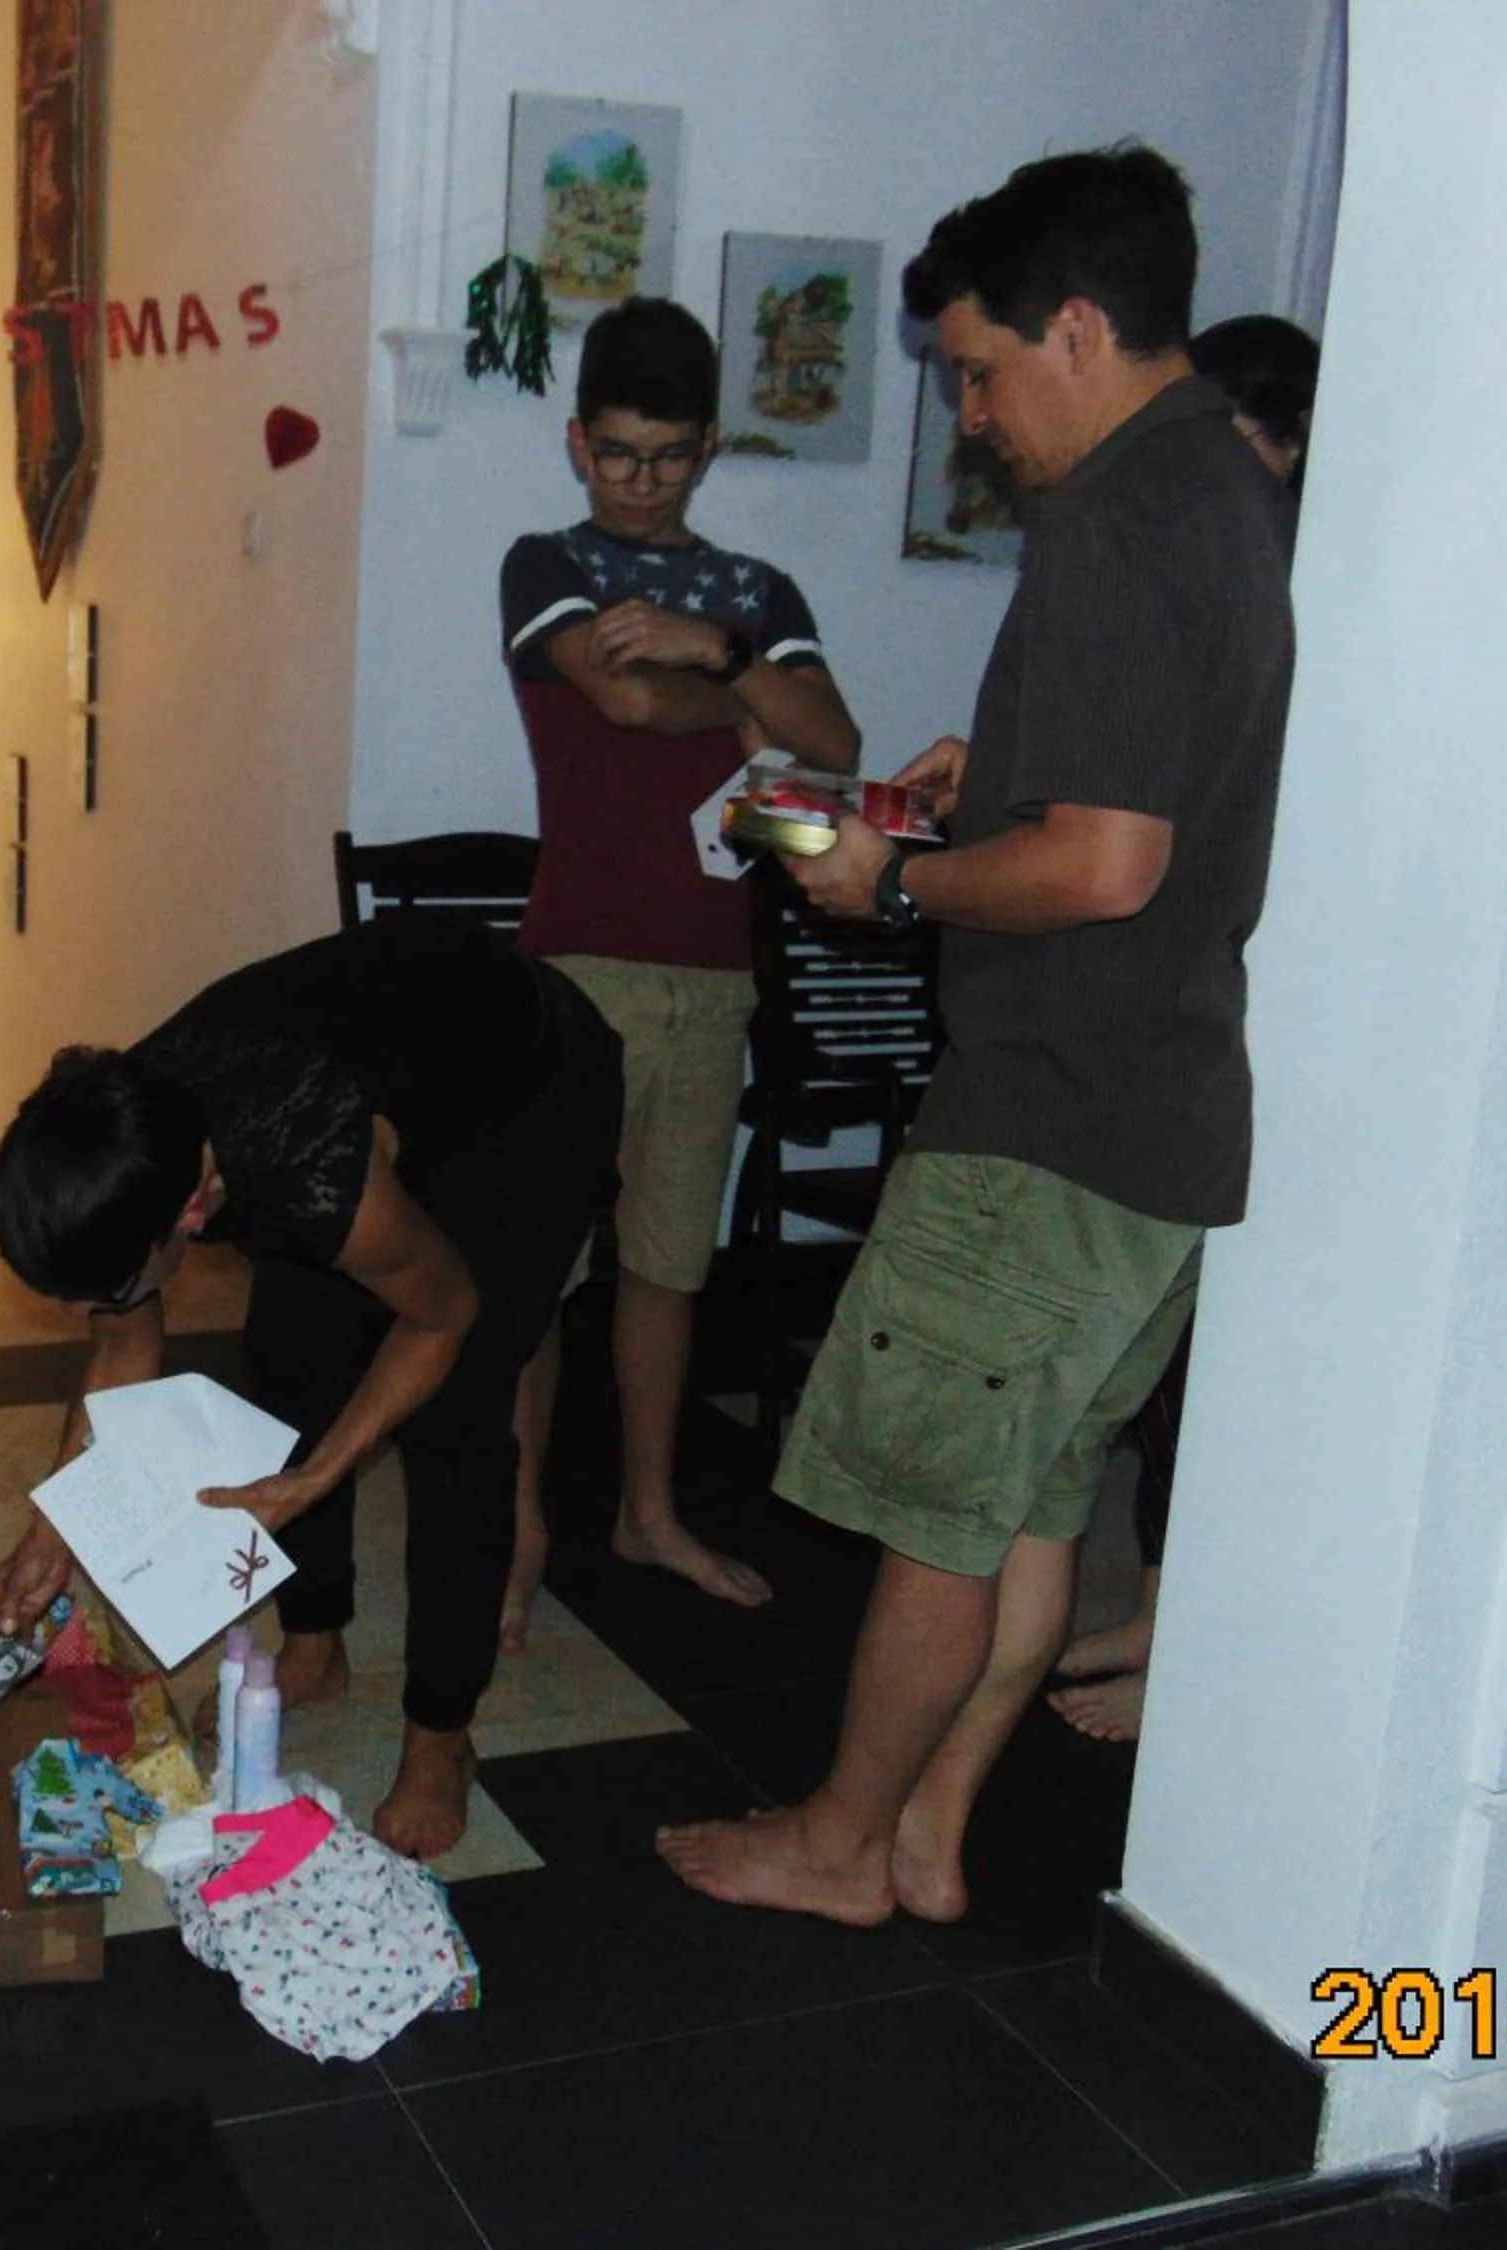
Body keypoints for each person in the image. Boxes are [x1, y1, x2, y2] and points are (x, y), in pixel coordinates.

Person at [657, 145, 1293, 1925]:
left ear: (1079, 329)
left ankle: (842, 1845)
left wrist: (891, 882)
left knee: (936, 1508)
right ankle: (931, 1831)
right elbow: (1132, 800)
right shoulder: (1227, 488)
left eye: (978, 367)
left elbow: (1099, 868)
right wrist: (980, 780)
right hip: (1161, 1126)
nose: (972, 410)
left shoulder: (1111, 519)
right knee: (1027, 1505)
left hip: (1049, 1118)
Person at [0, 916, 623, 1858]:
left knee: (455, 1413)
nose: (90, 1317)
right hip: (389, 1056)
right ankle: (317, 1642)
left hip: (531, 1094)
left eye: (99, 1294)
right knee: (291, 1346)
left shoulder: (307, 1163)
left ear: (189, 1213)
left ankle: (442, 1738)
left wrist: (322, 1472)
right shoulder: (123, 1139)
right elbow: (120, 1353)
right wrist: (50, 1529)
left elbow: (440, 1313)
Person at [496, 296, 864, 1648]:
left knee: (666, 1267)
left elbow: (833, 737)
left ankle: (649, 1507)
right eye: (617, 457)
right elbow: (626, 703)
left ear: (708, 445)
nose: (641, 487)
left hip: (714, 970)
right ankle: (517, 1520)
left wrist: (718, 652)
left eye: (667, 459)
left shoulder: (751, 595)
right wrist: (745, 696)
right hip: (577, 966)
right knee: (541, 1268)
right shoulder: (543, 561)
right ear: (579, 440)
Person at [1048, 307, 1318, 1745]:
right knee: (1179, 1365)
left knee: (1234, 1366)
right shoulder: (1227, 565)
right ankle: (1160, 1608)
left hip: (1274, 1026)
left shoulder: (1303, 584)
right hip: (1210, 1018)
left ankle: (1185, 1649)